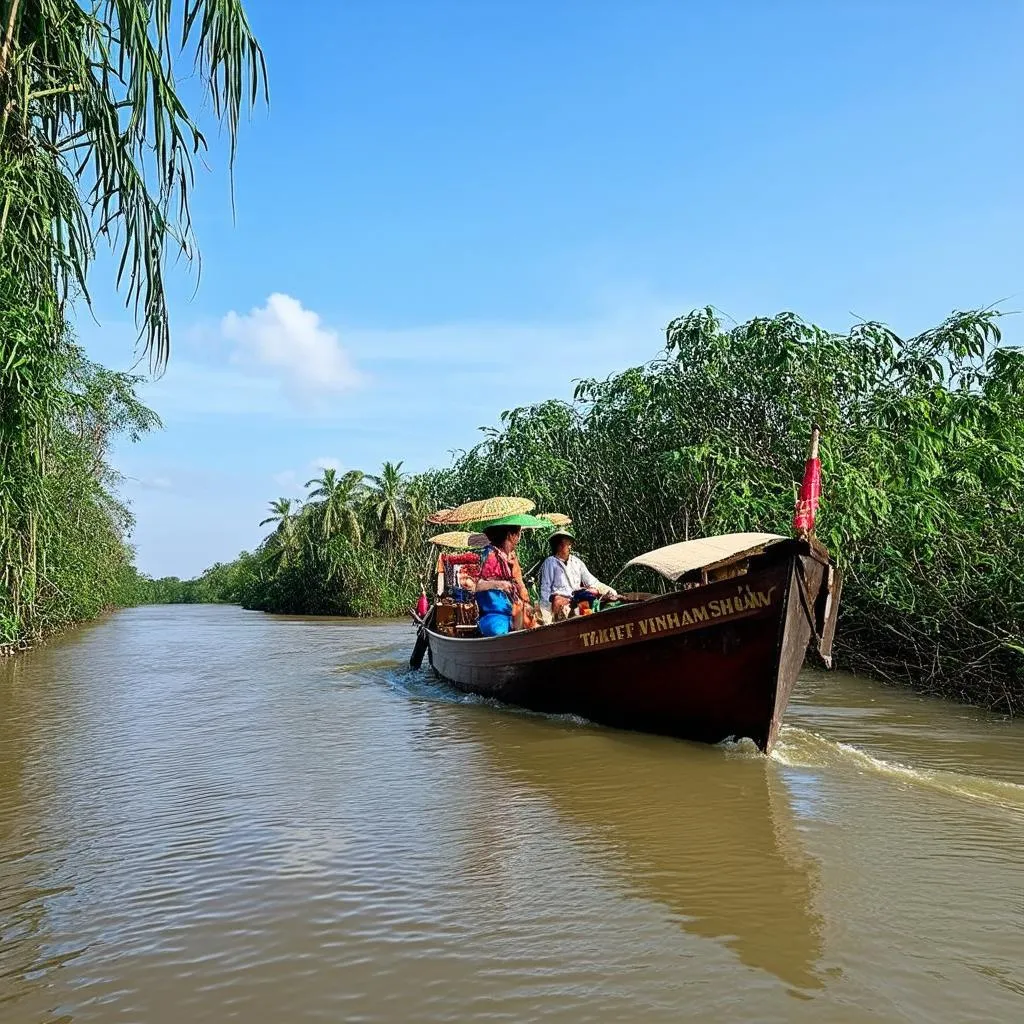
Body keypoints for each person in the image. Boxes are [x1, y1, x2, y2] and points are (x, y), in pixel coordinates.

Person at [539, 528, 618, 623]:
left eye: (570, 544)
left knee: (595, 596)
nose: (570, 547)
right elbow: (545, 589)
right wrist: (546, 614)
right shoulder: (550, 562)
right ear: (559, 546)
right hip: (561, 602)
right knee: (558, 601)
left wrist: (608, 590)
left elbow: (592, 581)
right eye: (567, 544)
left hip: (578, 599)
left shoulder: (577, 562)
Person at [475, 523, 530, 636]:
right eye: (518, 534)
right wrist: (499, 584)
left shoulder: (510, 557)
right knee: (499, 631)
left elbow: (518, 583)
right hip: (495, 615)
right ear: (510, 535)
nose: (519, 538)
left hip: (513, 613)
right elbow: (476, 585)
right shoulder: (490, 556)